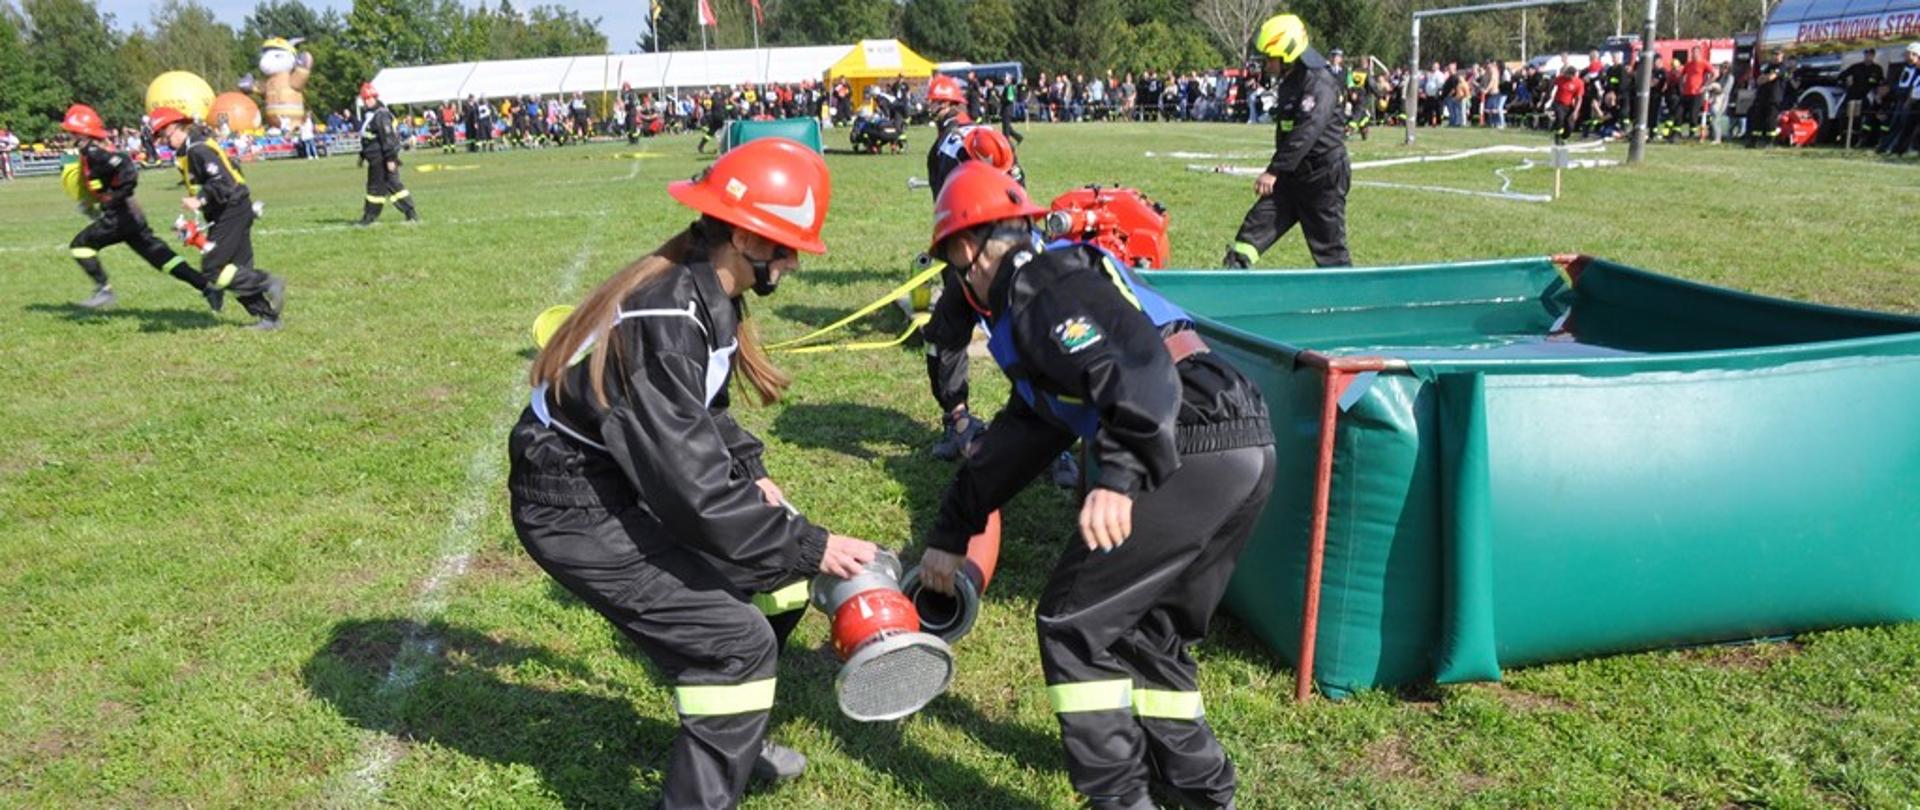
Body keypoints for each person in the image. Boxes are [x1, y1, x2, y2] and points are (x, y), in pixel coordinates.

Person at [510, 138, 877, 810]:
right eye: (785, 245)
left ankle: (734, 735)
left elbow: (699, 413)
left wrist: (753, 474)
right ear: (742, 235)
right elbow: (690, 492)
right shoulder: (667, 316)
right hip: (574, 507)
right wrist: (813, 543)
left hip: (618, 480)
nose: (793, 261)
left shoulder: (708, 295)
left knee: (781, 583)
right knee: (734, 645)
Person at [915, 163, 1275, 810]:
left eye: (951, 265)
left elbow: (1132, 368)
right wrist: (951, 530)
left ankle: (1120, 799)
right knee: (1149, 635)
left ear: (967, 248)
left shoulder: (1040, 286)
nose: (955, 283)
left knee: (1072, 624)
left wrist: (1119, 474)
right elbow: (1025, 433)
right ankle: (1199, 793)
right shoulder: (1054, 286)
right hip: (1238, 436)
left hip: (1178, 436)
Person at [1222, 14, 1351, 270]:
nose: (1265, 63)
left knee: (1330, 252)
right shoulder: (1293, 78)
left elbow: (1306, 131)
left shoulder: (1319, 82)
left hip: (1321, 177)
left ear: (1288, 55)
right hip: (1293, 174)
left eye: (1269, 57)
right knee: (1253, 231)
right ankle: (1233, 277)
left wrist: (1273, 171)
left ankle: (1346, 302)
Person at [58, 104, 216, 311]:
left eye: (72, 133)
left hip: (119, 216)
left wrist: (114, 197)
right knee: (160, 257)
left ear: (82, 133)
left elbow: (125, 166)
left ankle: (103, 290)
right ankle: (206, 286)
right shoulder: (92, 151)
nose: (69, 137)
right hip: (130, 215)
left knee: (80, 246)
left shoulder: (94, 151)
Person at [150, 107, 287, 330]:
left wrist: (201, 200)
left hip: (230, 210)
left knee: (213, 268)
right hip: (232, 207)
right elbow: (232, 168)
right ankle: (269, 318)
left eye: (163, 135)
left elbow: (222, 181)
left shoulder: (197, 149)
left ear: (176, 128)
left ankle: (267, 282)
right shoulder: (192, 148)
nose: (163, 141)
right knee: (238, 268)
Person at [356, 83, 419, 225]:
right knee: (385, 187)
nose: (367, 101)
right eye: (364, 98)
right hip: (375, 158)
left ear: (375, 97)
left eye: (369, 98)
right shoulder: (370, 115)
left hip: (382, 158)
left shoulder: (381, 115)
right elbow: (369, 138)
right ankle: (408, 214)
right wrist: (362, 155)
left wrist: (391, 158)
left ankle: (370, 218)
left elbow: (387, 138)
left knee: (380, 188)